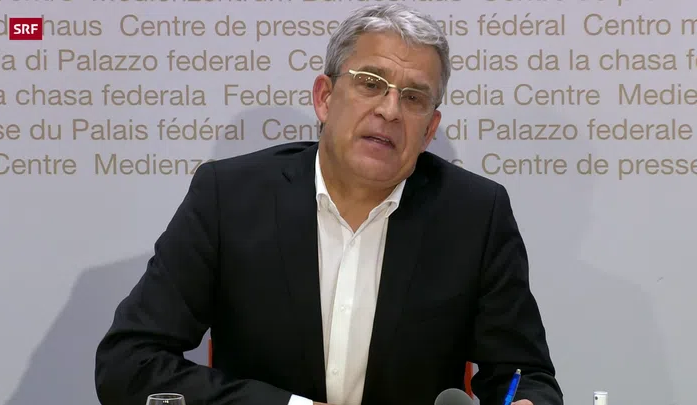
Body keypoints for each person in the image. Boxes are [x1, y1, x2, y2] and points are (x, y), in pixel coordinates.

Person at [95, 4, 563, 405]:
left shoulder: (474, 215)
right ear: (324, 97)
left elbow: (525, 376)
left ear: (429, 130)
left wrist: (525, 400)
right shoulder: (229, 198)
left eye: (413, 97)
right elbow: (129, 361)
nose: (389, 110)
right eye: (371, 83)